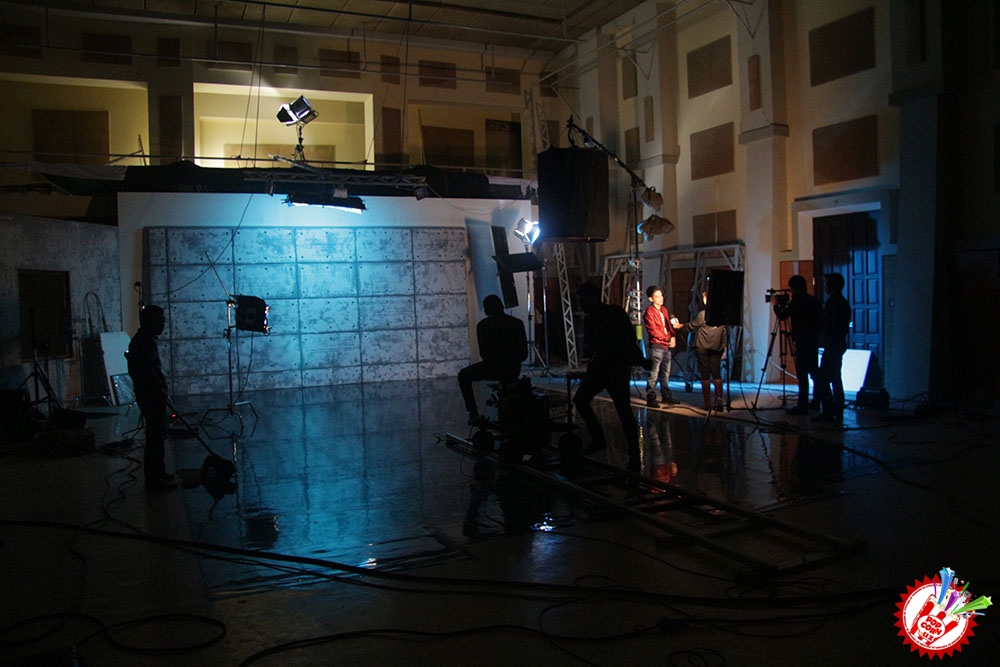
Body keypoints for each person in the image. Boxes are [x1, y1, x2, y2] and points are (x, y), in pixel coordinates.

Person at [573, 282, 650, 471]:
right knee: (622, 410)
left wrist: (638, 359)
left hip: (609, 367)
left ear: (591, 298)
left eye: (582, 300)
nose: (581, 305)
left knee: (584, 400)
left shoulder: (600, 317)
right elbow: (629, 340)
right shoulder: (611, 314)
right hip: (613, 368)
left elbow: (625, 340)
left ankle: (602, 440)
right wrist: (640, 359)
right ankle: (632, 454)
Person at [126, 304, 176, 492]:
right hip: (150, 396)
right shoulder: (143, 344)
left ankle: (159, 472)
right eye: (159, 321)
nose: (163, 325)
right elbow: (146, 372)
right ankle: (154, 479)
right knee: (155, 436)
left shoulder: (145, 341)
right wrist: (158, 388)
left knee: (158, 435)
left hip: (152, 394)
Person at [458, 294, 528, 424]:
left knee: (463, 375)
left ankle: (473, 412)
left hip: (492, 368)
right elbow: (524, 353)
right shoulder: (517, 323)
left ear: (487, 310)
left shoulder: (483, 326)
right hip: (513, 369)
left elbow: (484, 354)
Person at [774, 275, 823, 415]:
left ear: (795, 288)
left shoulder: (797, 301)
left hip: (802, 341)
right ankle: (817, 401)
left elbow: (783, 316)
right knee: (814, 372)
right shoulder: (814, 301)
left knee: (802, 374)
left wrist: (775, 305)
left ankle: (802, 405)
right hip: (812, 341)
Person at [813, 272, 851, 422]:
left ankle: (829, 410)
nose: (825, 286)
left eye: (826, 283)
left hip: (833, 345)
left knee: (824, 378)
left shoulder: (834, 303)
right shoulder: (841, 302)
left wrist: (825, 337)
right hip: (837, 344)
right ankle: (836, 410)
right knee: (834, 377)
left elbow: (832, 325)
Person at [642, 285, 682, 408]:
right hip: (657, 345)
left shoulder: (664, 310)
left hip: (666, 346)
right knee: (654, 373)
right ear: (651, 299)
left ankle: (666, 395)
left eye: (661, 296)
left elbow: (668, 327)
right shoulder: (649, 312)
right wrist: (667, 338)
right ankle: (651, 397)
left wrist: (673, 336)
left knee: (665, 372)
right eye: (657, 296)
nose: (661, 298)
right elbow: (653, 331)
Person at [686, 291, 728, 410]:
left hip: (702, 347)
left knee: (705, 374)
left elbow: (692, 326)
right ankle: (719, 401)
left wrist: (680, 326)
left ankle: (707, 402)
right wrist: (724, 348)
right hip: (717, 346)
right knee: (716, 373)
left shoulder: (703, 314)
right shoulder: (722, 314)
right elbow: (725, 333)